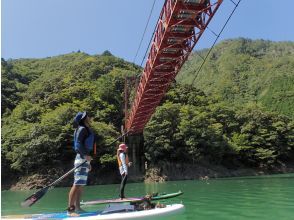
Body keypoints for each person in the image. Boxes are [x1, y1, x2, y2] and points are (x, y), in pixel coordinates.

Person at [67, 111, 94, 216]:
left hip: (84, 159)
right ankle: (70, 210)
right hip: (81, 158)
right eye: (87, 116)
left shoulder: (85, 129)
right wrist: (85, 156)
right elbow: (78, 145)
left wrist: (88, 161)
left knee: (81, 185)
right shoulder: (82, 129)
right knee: (77, 184)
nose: (89, 117)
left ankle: (78, 208)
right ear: (84, 119)